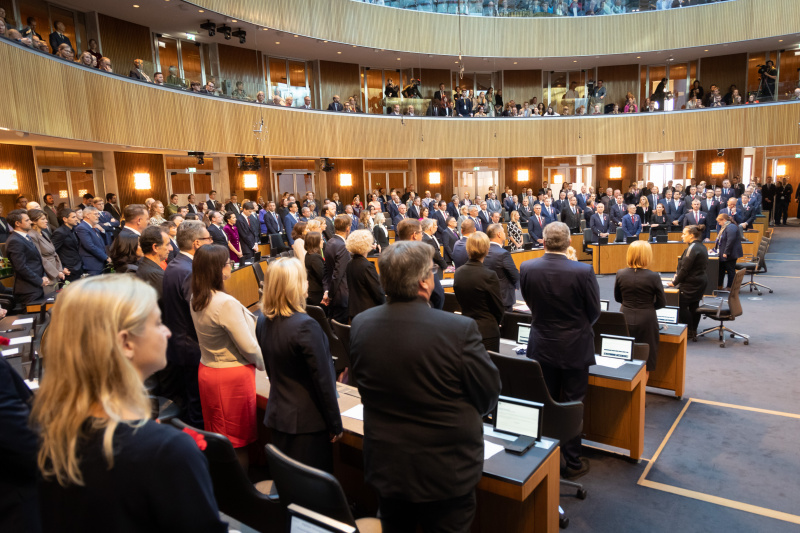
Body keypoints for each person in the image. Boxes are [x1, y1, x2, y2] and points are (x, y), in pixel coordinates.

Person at [33, 276, 227, 532]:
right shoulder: (166, 453)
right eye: (158, 323)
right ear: (126, 343)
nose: (167, 331)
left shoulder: (44, 434)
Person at [349, 241, 501, 532]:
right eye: (432, 270)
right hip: (446, 471)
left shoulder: (361, 324)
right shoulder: (458, 329)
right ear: (423, 281)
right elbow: (489, 394)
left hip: (388, 465)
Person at [520, 222, 600, 479]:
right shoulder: (583, 270)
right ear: (569, 243)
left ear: (543, 241)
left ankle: (544, 459)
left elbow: (530, 302)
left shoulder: (527, 267)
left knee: (546, 401)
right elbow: (594, 311)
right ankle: (573, 462)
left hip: (541, 344)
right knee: (573, 402)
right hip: (575, 345)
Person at [257, 258, 343, 472]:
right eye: (304, 280)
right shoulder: (305, 326)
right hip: (307, 425)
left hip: (279, 417)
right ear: (295, 286)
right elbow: (323, 380)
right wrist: (335, 424)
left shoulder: (263, 320)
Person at [190, 245, 264, 470]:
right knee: (236, 440)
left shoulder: (198, 296)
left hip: (208, 371)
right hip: (230, 376)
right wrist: (264, 364)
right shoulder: (225, 303)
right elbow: (249, 347)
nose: (230, 265)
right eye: (227, 263)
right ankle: (241, 493)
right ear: (217, 269)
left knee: (220, 435)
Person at [158, 221, 212, 428]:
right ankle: (200, 446)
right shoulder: (189, 270)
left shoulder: (175, 264)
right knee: (197, 404)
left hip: (179, 342)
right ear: (197, 243)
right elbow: (199, 313)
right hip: (191, 345)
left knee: (191, 399)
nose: (211, 241)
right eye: (208, 238)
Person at [614, 241, 666, 374]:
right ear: (647, 256)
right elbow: (661, 303)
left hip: (624, 317)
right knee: (645, 361)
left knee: (624, 356)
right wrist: (648, 307)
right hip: (647, 320)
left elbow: (618, 298)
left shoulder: (620, 273)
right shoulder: (654, 276)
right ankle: (641, 393)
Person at [454, 232, 505, 352]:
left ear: (468, 249)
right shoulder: (489, 275)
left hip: (466, 328)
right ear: (487, 250)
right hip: (487, 331)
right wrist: (496, 323)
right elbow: (498, 307)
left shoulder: (458, 272)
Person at [669, 225, 708, 341]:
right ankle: (693, 331)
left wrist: (674, 282)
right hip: (700, 281)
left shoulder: (692, 248)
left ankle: (688, 330)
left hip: (691, 283)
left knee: (680, 305)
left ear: (691, 235)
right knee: (694, 306)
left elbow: (685, 269)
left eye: (684, 234)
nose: (682, 236)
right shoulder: (701, 246)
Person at [6, 209, 49, 305]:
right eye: (27, 220)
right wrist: (39, 280)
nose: (30, 222)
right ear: (17, 223)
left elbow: (36, 260)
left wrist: (43, 276)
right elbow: (21, 267)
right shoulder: (15, 241)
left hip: (36, 287)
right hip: (28, 290)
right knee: (35, 318)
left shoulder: (26, 236)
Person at [345, 229, 385, 321]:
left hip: (354, 311)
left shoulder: (350, 263)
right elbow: (378, 293)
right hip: (368, 314)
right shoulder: (367, 266)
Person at [27, 209, 67, 290]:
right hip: (47, 274)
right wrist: (56, 273)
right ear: (34, 221)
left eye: (46, 219)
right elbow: (39, 257)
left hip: (55, 270)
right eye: (43, 219)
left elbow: (54, 253)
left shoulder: (44, 233)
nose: (46, 221)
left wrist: (60, 270)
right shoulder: (31, 235)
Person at [322, 215, 351, 323]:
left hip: (333, 292)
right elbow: (337, 274)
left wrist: (326, 290)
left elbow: (326, 270)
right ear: (348, 228)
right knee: (338, 330)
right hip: (341, 295)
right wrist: (329, 295)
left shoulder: (330, 241)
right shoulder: (342, 246)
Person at [484, 224, 520, 312]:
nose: (505, 233)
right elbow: (514, 275)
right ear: (499, 234)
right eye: (503, 232)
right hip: (503, 297)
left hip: (487, 296)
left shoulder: (483, 251)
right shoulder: (503, 254)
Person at [137, 226, 169, 304]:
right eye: (167, 245)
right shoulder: (154, 274)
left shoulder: (147, 266)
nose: (170, 248)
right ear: (155, 247)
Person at [714, 213, 742, 289]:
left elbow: (730, 240)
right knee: (721, 269)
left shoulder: (731, 227)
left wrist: (726, 252)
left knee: (730, 270)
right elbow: (721, 240)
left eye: (719, 222)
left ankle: (730, 287)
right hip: (723, 253)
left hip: (730, 254)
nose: (719, 224)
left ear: (724, 220)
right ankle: (719, 286)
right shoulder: (725, 227)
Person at [304, 232, 325, 307]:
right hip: (316, 293)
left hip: (313, 291)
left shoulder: (309, 254)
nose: (323, 241)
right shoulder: (315, 257)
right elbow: (322, 276)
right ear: (316, 242)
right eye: (321, 240)